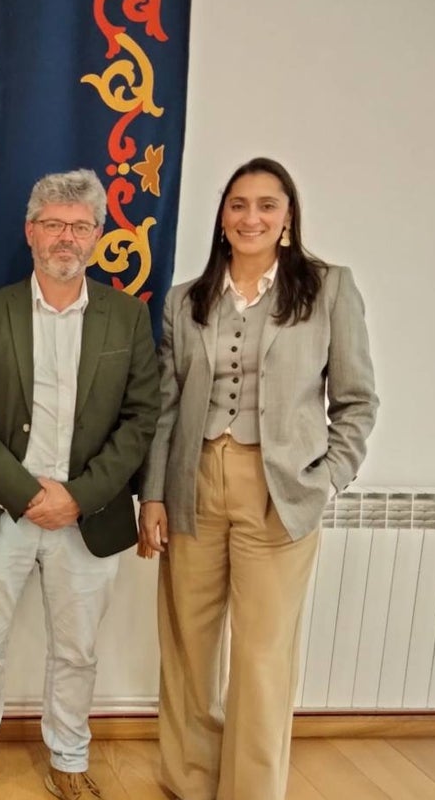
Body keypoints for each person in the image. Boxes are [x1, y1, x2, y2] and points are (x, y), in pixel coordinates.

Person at [137, 157, 378, 800]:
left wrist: (327, 478)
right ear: (222, 216)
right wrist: (154, 494)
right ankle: (190, 781)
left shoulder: (328, 288)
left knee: (263, 657)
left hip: (279, 490)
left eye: (267, 205)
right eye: (238, 204)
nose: (251, 217)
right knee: (189, 647)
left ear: (288, 216)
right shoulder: (186, 299)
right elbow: (165, 405)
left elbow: (357, 400)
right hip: (193, 483)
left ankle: (250, 791)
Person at [0, 170, 159, 800]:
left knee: (78, 652)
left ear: (98, 234)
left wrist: (79, 496)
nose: (66, 238)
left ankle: (69, 760)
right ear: (31, 232)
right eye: (54, 225)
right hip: (0, 509)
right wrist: (28, 494)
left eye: (80, 226)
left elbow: (142, 418)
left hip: (89, 516)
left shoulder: (128, 318)